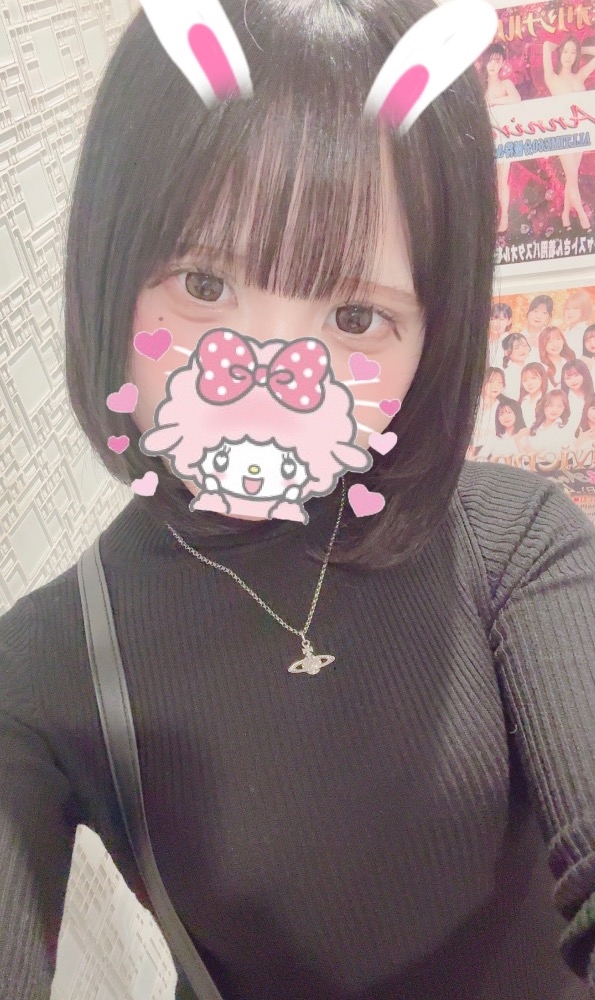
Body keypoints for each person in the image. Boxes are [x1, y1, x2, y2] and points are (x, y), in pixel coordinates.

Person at [1, 3, 595, 1000]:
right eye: (203, 283)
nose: (271, 382)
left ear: (431, 338)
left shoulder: (518, 545)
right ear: (111, 269)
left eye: (355, 314)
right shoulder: (45, 665)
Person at [542, 38, 595, 233]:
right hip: (562, 134)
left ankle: (565, 214)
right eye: (566, 51)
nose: (569, 56)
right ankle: (582, 216)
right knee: (572, 178)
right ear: (560, 53)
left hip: (579, 132)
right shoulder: (552, 78)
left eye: (573, 53)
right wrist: (556, 47)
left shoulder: (579, 76)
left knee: (571, 178)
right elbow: (546, 46)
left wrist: (581, 49)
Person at [482, 44, 521, 234]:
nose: (493, 65)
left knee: (502, 179)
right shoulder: (479, 86)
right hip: (485, 140)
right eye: (490, 60)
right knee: (489, 180)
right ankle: (492, 217)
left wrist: (494, 102)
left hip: (504, 138)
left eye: (497, 61)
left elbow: (516, 99)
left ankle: (504, 216)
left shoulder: (506, 84)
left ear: (503, 63)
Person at [560, 360, 595, 437]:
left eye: (576, 375)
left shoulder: (592, 395)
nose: (573, 381)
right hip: (563, 435)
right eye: (568, 378)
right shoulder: (561, 397)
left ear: (584, 374)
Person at [561, 289, 594, 358]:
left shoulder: (585, 332)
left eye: (575, 308)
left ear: (584, 310)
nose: (570, 312)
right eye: (567, 309)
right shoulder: (565, 331)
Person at [518, 361, 548, 429]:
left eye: (533, 378)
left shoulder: (548, 399)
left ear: (542, 377)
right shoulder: (522, 400)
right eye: (525, 380)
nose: (529, 383)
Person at [487, 302, 512, 367]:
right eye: (493, 319)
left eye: (501, 319)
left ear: (509, 321)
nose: (496, 323)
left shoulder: (511, 342)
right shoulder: (486, 341)